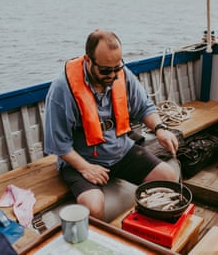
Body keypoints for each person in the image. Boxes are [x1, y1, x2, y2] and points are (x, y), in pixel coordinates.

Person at [44, 29, 179, 220]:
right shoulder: (62, 90)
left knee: (167, 176)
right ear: (88, 61)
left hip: (121, 151)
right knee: (92, 206)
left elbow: (144, 107)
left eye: (117, 67)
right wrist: (85, 168)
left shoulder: (121, 74)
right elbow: (58, 144)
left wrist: (160, 129)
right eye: (106, 70)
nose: (113, 75)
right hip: (82, 160)